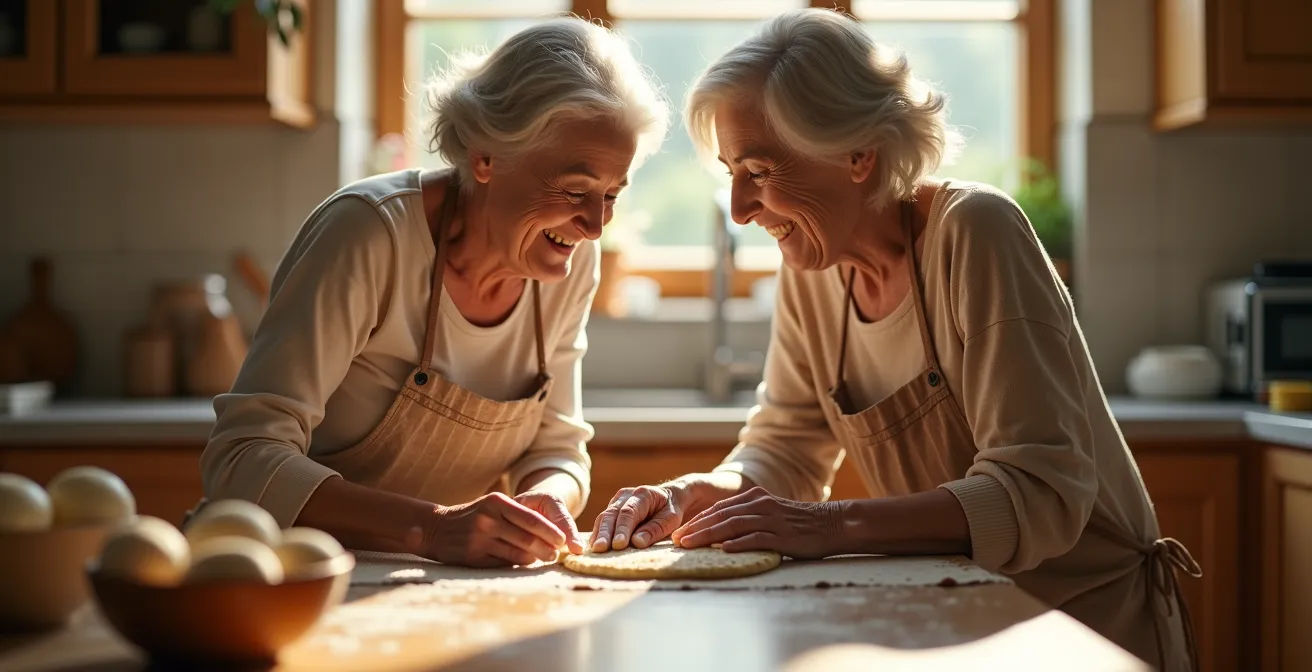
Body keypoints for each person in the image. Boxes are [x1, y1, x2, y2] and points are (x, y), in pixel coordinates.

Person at [588, 8, 1197, 670]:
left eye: (758, 170)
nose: (739, 208)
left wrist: (825, 527)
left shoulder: (976, 234)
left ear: (857, 154)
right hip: (961, 613)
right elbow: (788, 443)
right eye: (731, 170)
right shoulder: (816, 263)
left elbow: (1040, 494)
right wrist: (703, 491)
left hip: (1079, 626)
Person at [196, 17, 668, 569]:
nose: (594, 226)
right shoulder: (369, 234)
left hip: (437, 585)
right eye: (575, 190)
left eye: (612, 194)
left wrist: (546, 500)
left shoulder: (566, 258)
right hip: (295, 578)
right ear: (485, 157)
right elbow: (241, 460)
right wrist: (431, 530)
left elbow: (556, 448)